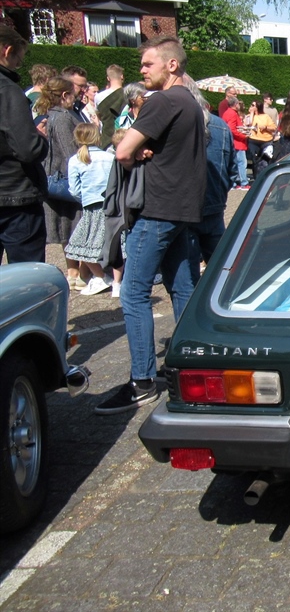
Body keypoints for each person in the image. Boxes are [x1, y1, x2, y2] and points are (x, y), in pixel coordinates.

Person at [95, 35, 207, 415]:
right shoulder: (190, 103)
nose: (141, 70)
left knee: (133, 293)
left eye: (147, 64)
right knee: (183, 288)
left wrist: (135, 155)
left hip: (158, 209)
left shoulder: (162, 100)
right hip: (183, 210)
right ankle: (192, 364)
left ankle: (142, 381)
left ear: (171, 65)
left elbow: (122, 151)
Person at [0, 27, 49, 263]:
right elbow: (28, 149)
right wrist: (40, 138)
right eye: (18, 61)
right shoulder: (7, 89)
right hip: (14, 197)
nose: (17, 66)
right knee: (26, 277)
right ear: (7, 50)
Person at [34, 76, 84, 287]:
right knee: (73, 227)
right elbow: (69, 152)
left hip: (57, 178)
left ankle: (74, 272)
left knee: (68, 229)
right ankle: (78, 273)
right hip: (65, 180)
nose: (76, 97)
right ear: (65, 95)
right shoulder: (62, 117)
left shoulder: (51, 114)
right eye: (73, 94)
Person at [183, 75, 237, 267]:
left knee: (187, 276)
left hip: (184, 212)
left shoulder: (176, 124)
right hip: (214, 206)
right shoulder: (220, 126)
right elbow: (232, 172)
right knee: (221, 271)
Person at [64, 122, 113, 295]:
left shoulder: (75, 160)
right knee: (114, 243)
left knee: (79, 246)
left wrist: (84, 198)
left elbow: (74, 190)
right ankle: (109, 277)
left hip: (91, 207)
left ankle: (101, 277)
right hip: (110, 204)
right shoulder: (109, 157)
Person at [222, 96, 249, 190]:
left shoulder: (227, 112)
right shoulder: (233, 114)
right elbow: (232, 129)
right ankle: (244, 183)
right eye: (238, 104)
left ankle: (233, 183)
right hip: (237, 142)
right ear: (235, 104)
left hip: (232, 141)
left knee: (234, 163)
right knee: (242, 163)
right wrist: (243, 136)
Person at [246, 99, 277, 180]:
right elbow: (248, 124)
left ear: (258, 107)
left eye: (253, 105)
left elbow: (274, 127)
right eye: (251, 105)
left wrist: (266, 127)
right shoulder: (249, 116)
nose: (251, 106)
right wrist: (252, 113)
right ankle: (256, 177)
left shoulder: (265, 117)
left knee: (265, 160)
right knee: (254, 160)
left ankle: (264, 177)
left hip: (265, 141)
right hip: (253, 140)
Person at [96, 65, 126, 146]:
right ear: (122, 76)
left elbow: (98, 116)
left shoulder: (98, 96)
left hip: (106, 137)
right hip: (124, 137)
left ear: (108, 78)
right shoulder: (127, 94)